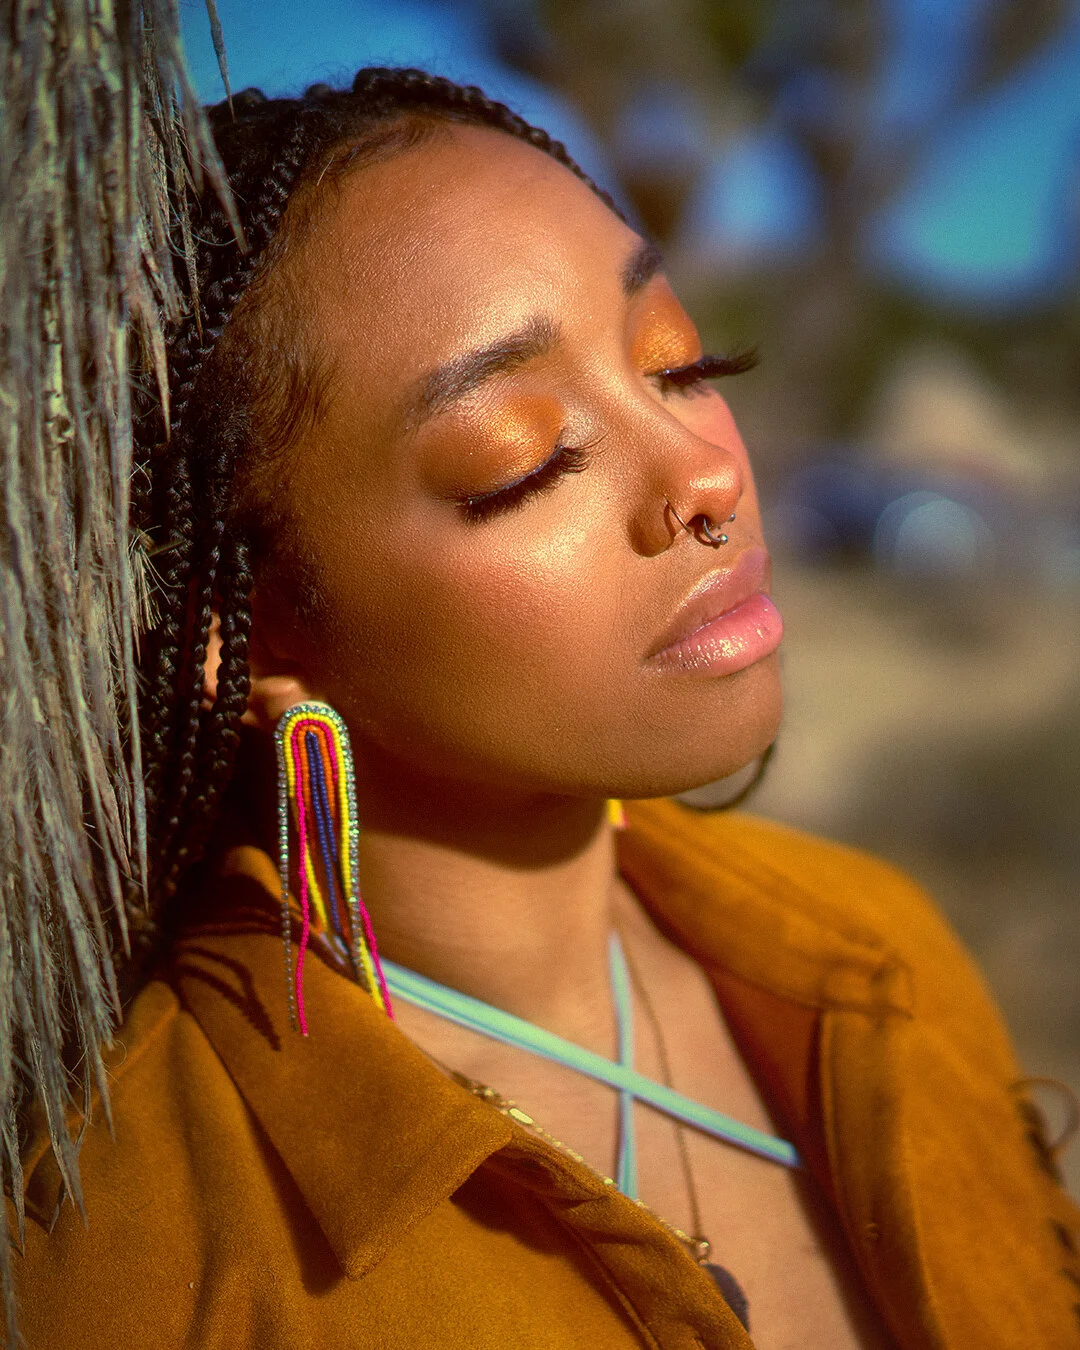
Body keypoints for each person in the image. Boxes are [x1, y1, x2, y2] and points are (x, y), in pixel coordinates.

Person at [8, 69, 1079, 1350]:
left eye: (681, 363)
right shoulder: (139, 1259)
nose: (705, 474)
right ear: (253, 631)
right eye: (529, 458)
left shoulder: (876, 957)